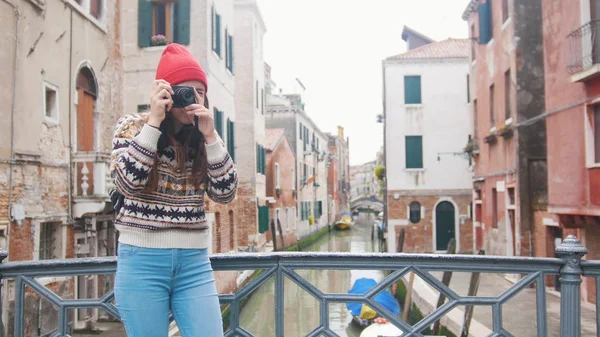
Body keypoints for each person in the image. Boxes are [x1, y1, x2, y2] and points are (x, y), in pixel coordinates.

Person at [110, 43, 237, 337]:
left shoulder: (204, 140)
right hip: (142, 261)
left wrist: (212, 137)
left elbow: (226, 194)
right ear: (165, 92)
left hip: (194, 263)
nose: (192, 99)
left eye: (200, 92)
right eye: (184, 91)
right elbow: (128, 182)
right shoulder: (131, 127)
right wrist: (154, 122)